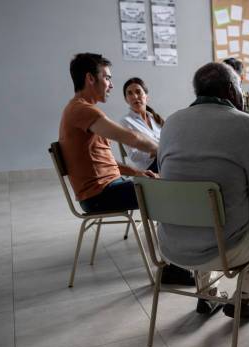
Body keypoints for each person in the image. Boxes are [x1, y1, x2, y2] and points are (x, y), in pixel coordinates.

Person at [157, 62, 249, 318]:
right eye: (240, 87)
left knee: (200, 209)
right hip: (226, 249)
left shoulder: (171, 123)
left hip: (171, 244)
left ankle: (208, 295)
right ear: (231, 90)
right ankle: (243, 298)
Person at [58, 53, 193, 286]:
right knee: (170, 192)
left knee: (162, 183)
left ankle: (176, 260)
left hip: (106, 188)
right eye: (107, 78)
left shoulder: (82, 110)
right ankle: (174, 268)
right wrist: (163, 150)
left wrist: (140, 174)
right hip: (99, 196)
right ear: (91, 78)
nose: (110, 84)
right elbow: (131, 138)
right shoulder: (83, 110)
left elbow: (108, 163)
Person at [120, 77, 165, 173]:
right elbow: (134, 155)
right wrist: (157, 150)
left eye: (138, 92)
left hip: (165, 160)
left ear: (146, 96)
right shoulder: (126, 121)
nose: (135, 97)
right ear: (126, 99)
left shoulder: (155, 118)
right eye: (130, 93)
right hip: (149, 169)